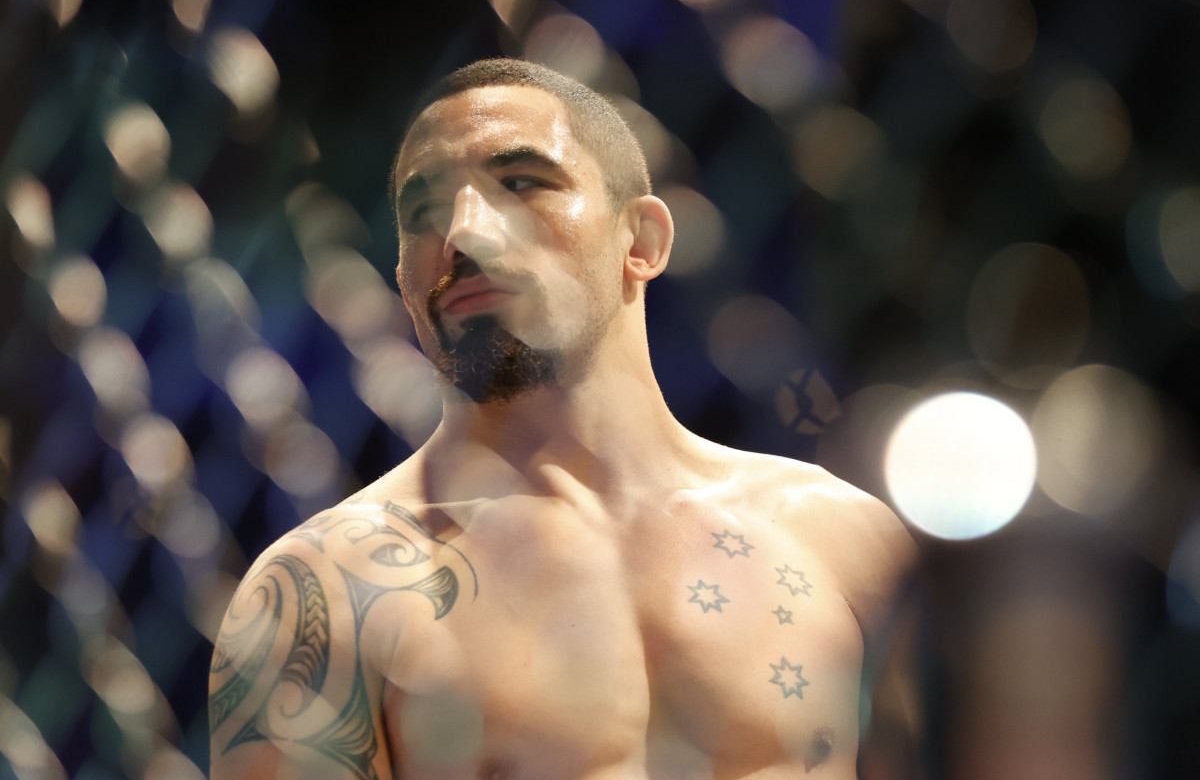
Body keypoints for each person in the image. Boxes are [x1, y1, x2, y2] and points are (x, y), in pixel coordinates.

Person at [208, 58, 920, 780]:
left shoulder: (842, 540)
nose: (463, 233)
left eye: (520, 183)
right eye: (424, 212)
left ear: (640, 241)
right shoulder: (327, 588)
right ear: (404, 282)